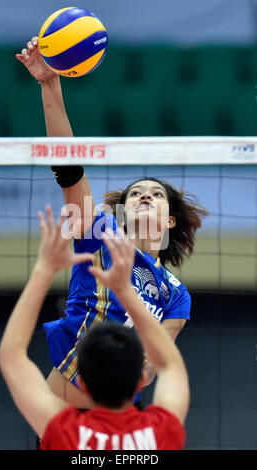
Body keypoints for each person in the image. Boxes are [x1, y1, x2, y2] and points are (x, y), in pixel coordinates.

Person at [16, 37, 208, 409]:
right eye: (135, 194)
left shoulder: (175, 295)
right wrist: (49, 85)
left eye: (155, 194)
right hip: (62, 411)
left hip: (120, 419)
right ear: (123, 213)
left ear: (169, 219)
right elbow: (68, 168)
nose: (144, 196)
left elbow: (153, 366)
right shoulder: (98, 234)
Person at [0, 206, 190, 450]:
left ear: (84, 385)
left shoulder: (63, 432)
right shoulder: (161, 433)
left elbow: (11, 357)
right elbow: (171, 364)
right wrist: (125, 291)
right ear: (141, 379)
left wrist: (44, 269)